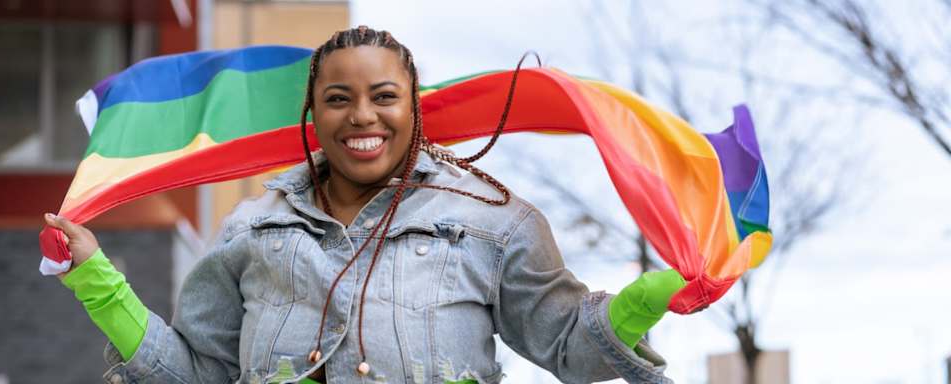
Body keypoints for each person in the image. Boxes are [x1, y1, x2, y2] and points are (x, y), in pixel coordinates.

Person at [45, 26, 686, 384]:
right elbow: (196, 375)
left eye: (384, 96)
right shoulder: (251, 230)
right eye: (337, 99)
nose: (362, 116)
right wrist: (98, 283)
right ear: (312, 113)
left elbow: (569, 346)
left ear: (415, 108)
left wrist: (641, 304)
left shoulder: (494, 223)